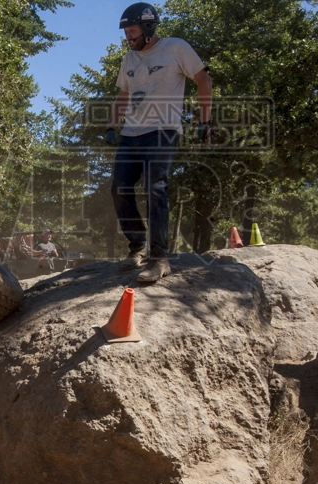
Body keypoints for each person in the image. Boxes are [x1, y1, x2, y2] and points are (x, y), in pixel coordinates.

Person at [105, 3, 212, 283]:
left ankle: (159, 258)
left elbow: (203, 79)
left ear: (149, 27)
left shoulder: (176, 48)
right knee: (119, 188)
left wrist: (205, 120)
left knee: (155, 188)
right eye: (126, 32)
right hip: (131, 134)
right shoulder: (129, 59)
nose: (128, 37)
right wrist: (111, 125)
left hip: (162, 131)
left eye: (132, 31)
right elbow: (123, 96)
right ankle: (137, 247)